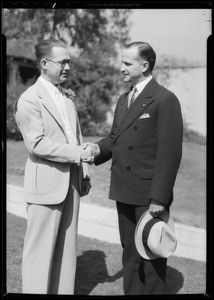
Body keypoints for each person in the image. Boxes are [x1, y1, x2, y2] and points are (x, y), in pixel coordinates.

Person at [85, 41, 183, 295]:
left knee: (150, 256)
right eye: (122, 62)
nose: (121, 68)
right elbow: (114, 139)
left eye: (127, 63)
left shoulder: (165, 99)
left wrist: (159, 198)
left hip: (149, 195)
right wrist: (96, 150)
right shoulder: (123, 99)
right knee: (130, 254)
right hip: (124, 189)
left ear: (144, 65)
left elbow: (169, 155)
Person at [13, 39, 95, 295]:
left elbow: (75, 136)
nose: (68, 67)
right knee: (39, 255)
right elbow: (37, 144)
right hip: (46, 187)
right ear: (44, 64)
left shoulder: (66, 97)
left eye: (69, 61)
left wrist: (84, 174)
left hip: (71, 184)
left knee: (66, 253)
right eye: (63, 62)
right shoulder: (29, 99)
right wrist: (79, 154)